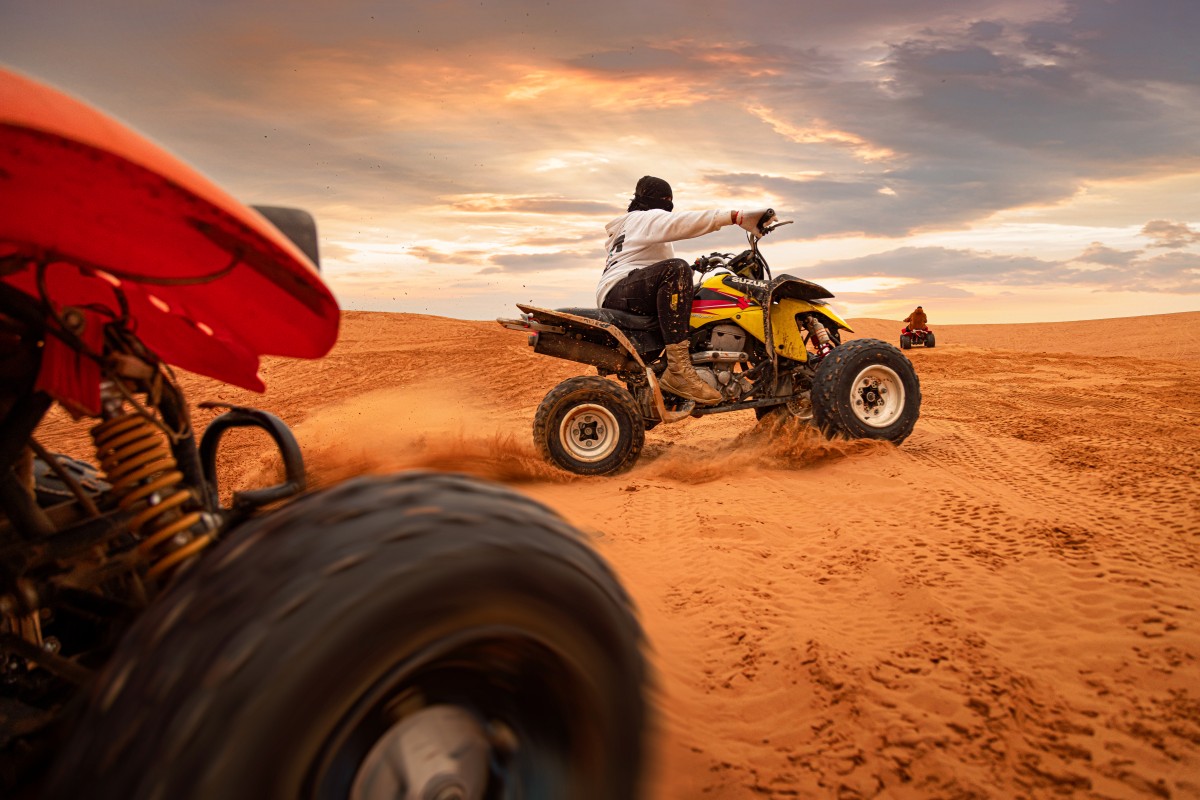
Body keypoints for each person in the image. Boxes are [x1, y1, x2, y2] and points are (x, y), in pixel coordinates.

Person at [597, 175, 776, 405]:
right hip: (622, 288)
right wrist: (734, 216)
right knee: (676, 270)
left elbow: (648, 265)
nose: (668, 205)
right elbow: (682, 223)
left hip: (623, 290)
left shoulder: (631, 226)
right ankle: (679, 370)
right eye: (665, 200)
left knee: (685, 281)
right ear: (651, 200)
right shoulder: (642, 218)